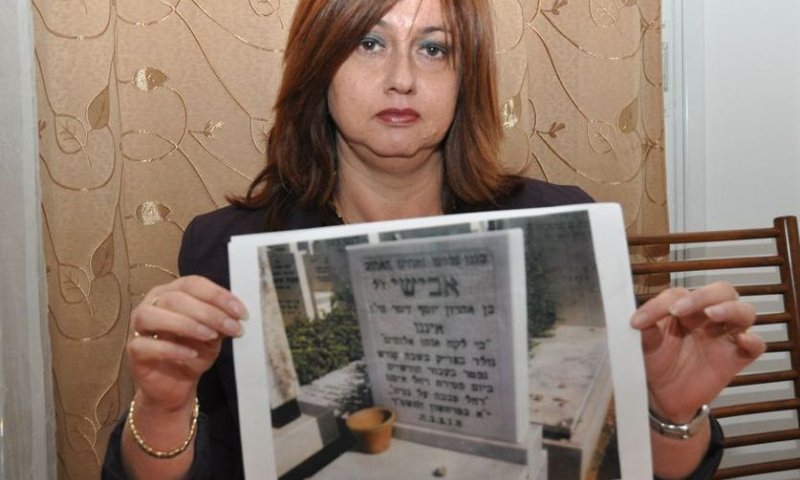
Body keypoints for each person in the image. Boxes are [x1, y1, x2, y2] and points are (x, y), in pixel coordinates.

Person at [102, 0, 766, 479]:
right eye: (368, 41)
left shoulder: (557, 221)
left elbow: (649, 468)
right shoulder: (228, 247)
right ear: (318, 65)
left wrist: (669, 412)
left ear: (463, 75)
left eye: (434, 47)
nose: (402, 78)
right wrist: (163, 407)